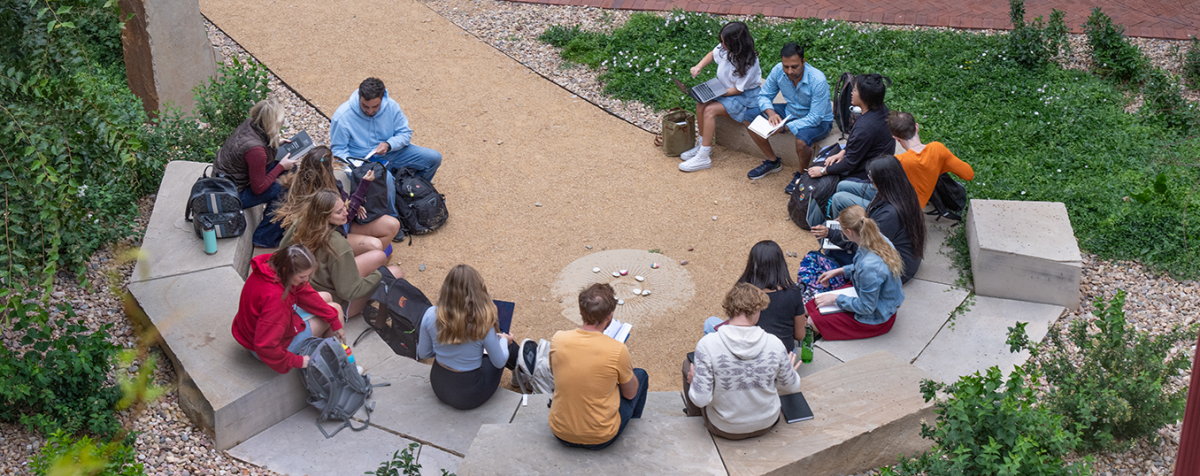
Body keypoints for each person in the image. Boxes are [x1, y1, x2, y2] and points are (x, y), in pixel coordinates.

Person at [684, 283, 802, 439]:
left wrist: (695, 382)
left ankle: (693, 418)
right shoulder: (774, 343)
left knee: (687, 365)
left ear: (729, 308)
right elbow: (792, 387)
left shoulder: (707, 345)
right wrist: (790, 373)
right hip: (768, 422)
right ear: (757, 308)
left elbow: (701, 399)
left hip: (725, 427)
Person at [549, 283, 649, 450]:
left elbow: (555, 373)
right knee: (640, 375)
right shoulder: (617, 349)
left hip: (560, 432)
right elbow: (630, 394)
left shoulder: (558, 339)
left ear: (581, 310)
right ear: (609, 316)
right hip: (601, 437)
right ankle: (633, 425)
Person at [277, 190, 404, 317]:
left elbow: (283, 248)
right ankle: (376, 315)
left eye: (344, 206)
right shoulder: (337, 244)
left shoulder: (301, 222)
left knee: (379, 256)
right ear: (324, 216)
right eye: (339, 212)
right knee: (395, 273)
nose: (346, 213)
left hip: (306, 287)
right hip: (335, 303)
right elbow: (349, 292)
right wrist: (379, 276)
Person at [417, 265, 520, 410]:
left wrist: (449, 349)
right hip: (469, 393)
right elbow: (499, 362)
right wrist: (503, 340)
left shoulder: (430, 314)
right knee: (508, 345)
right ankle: (523, 375)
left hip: (439, 384)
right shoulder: (482, 323)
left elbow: (424, 353)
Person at [232, 245, 345, 374]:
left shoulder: (273, 267)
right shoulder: (277, 301)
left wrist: (334, 320)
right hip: (264, 349)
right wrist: (296, 360)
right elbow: (265, 346)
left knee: (327, 298)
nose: (306, 280)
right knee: (336, 309)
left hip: (250, 333)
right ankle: (333, 366)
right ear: (287, 271)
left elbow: (305, 292)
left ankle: (325, 349)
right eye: (302, 277)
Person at [813, 156, 926, 282]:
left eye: (872, 177)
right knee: (832, 242)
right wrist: (849, 219)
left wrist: (832, 234)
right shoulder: (901, 191)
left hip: (896, 270)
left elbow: (867, 246)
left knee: (831, 250)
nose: (870, 180)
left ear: (882, 181)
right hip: (899, 254)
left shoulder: (890, 215)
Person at [278, 146, 402, 257]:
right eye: (332, 163)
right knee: (375, 245)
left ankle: (370, 260)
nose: (334, 165)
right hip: (331, 236)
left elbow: (343, 207)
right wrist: (363, 185)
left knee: (393, 224)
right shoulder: (320, 197)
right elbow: (345, 217)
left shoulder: (328, 182)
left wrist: (351, 204)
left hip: (341, 226)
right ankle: (356, 267)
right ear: (326, 168)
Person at [805, 205, 905, 340]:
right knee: (811, 305)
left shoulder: (869, 268)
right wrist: (839, 271)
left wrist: (836, 299)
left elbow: (867, 307)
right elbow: (864, 267)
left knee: (812, 320)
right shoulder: (876, 237)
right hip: (881, 302)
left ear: (849, 232)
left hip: (877, 317)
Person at [678, 22, 765, 174]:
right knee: (701, 104)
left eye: (725, 42)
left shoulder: (750, 62)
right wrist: (699, 66)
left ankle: (703, 157)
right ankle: (703, 145)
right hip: (724, 90)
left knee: (709, 110)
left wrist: (716, 93)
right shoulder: (725, 48)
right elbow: (712, 54)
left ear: (736, 44)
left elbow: (738, 90)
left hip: (744, 96)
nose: (722, 45)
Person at [800, 74, 895, 203]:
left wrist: (823, 171)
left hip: (867, 174)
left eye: (855, 90)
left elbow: (850, 163)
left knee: (835, 190)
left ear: (865, 97)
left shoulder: (865, 128)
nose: (851, 93)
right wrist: (842, 152)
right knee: (833, 153)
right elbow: (860, 146)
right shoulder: (881, 109)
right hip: (876, 163)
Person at [213, 98, 295, 248]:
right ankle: (264, 237)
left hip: (226, 181)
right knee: (286, 186)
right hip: (232, 195)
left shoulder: (251, 124)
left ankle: (271, 226)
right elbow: (259, 188)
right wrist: (281, 167)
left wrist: (276, 141)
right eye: (281, 119)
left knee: (292, 172)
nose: (284, 122)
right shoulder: (256, 150)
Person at [331, 77, 442, 182]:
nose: (370, 111)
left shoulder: (392, 107)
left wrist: (389, 145)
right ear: (359, 95)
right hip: (362, 161)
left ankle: (412, 191)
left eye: (375, 106)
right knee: (385, 179)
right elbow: (338, 150)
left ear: (383, 97)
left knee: (434, 158)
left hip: (391, 152)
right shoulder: (342, 116)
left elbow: (405, 133)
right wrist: (356, 167)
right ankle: (392, 199)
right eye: (365, 106)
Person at [704, 241, 806, 352]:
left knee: (710, 323)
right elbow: (800, 336)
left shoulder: (743, 290)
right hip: (784, 354)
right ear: (781, 264)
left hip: (747, 350)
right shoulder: (793, 293)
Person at [755, 43, 834, 185]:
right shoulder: (778, 70)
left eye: (794, 66)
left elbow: (815, 117)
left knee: (802, 141)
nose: (789, 71)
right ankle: (773, 161)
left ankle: (802, 175)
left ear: (804, 61)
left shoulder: (818, 80)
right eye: (786, 66)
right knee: (751, 115)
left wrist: (785, 127)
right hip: (790, 111)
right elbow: (764, 96)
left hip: (821, 121)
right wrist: (771, 113)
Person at [888, 111, 974, 209]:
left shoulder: (897, 162)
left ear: (896, 138)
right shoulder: (938, 149)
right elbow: (968, 174)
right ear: (917, 127)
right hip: (918, 207)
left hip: (901, 209)